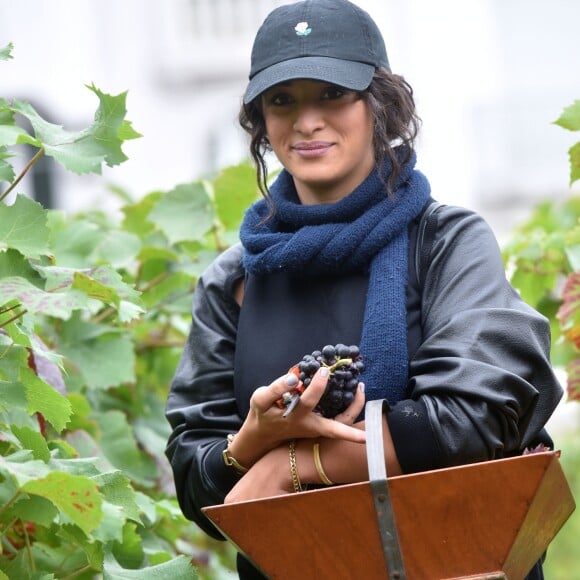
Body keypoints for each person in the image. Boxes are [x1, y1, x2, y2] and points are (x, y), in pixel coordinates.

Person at [165, 1, 562, 578]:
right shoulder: (232, 281)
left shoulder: (445, 241)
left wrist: (291, 466)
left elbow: (475, 417)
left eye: (332, 94)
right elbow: (194, 477)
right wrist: (250, 441)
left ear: (381, 104)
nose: (307, 121)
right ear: (261, 121)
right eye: (283, 100)